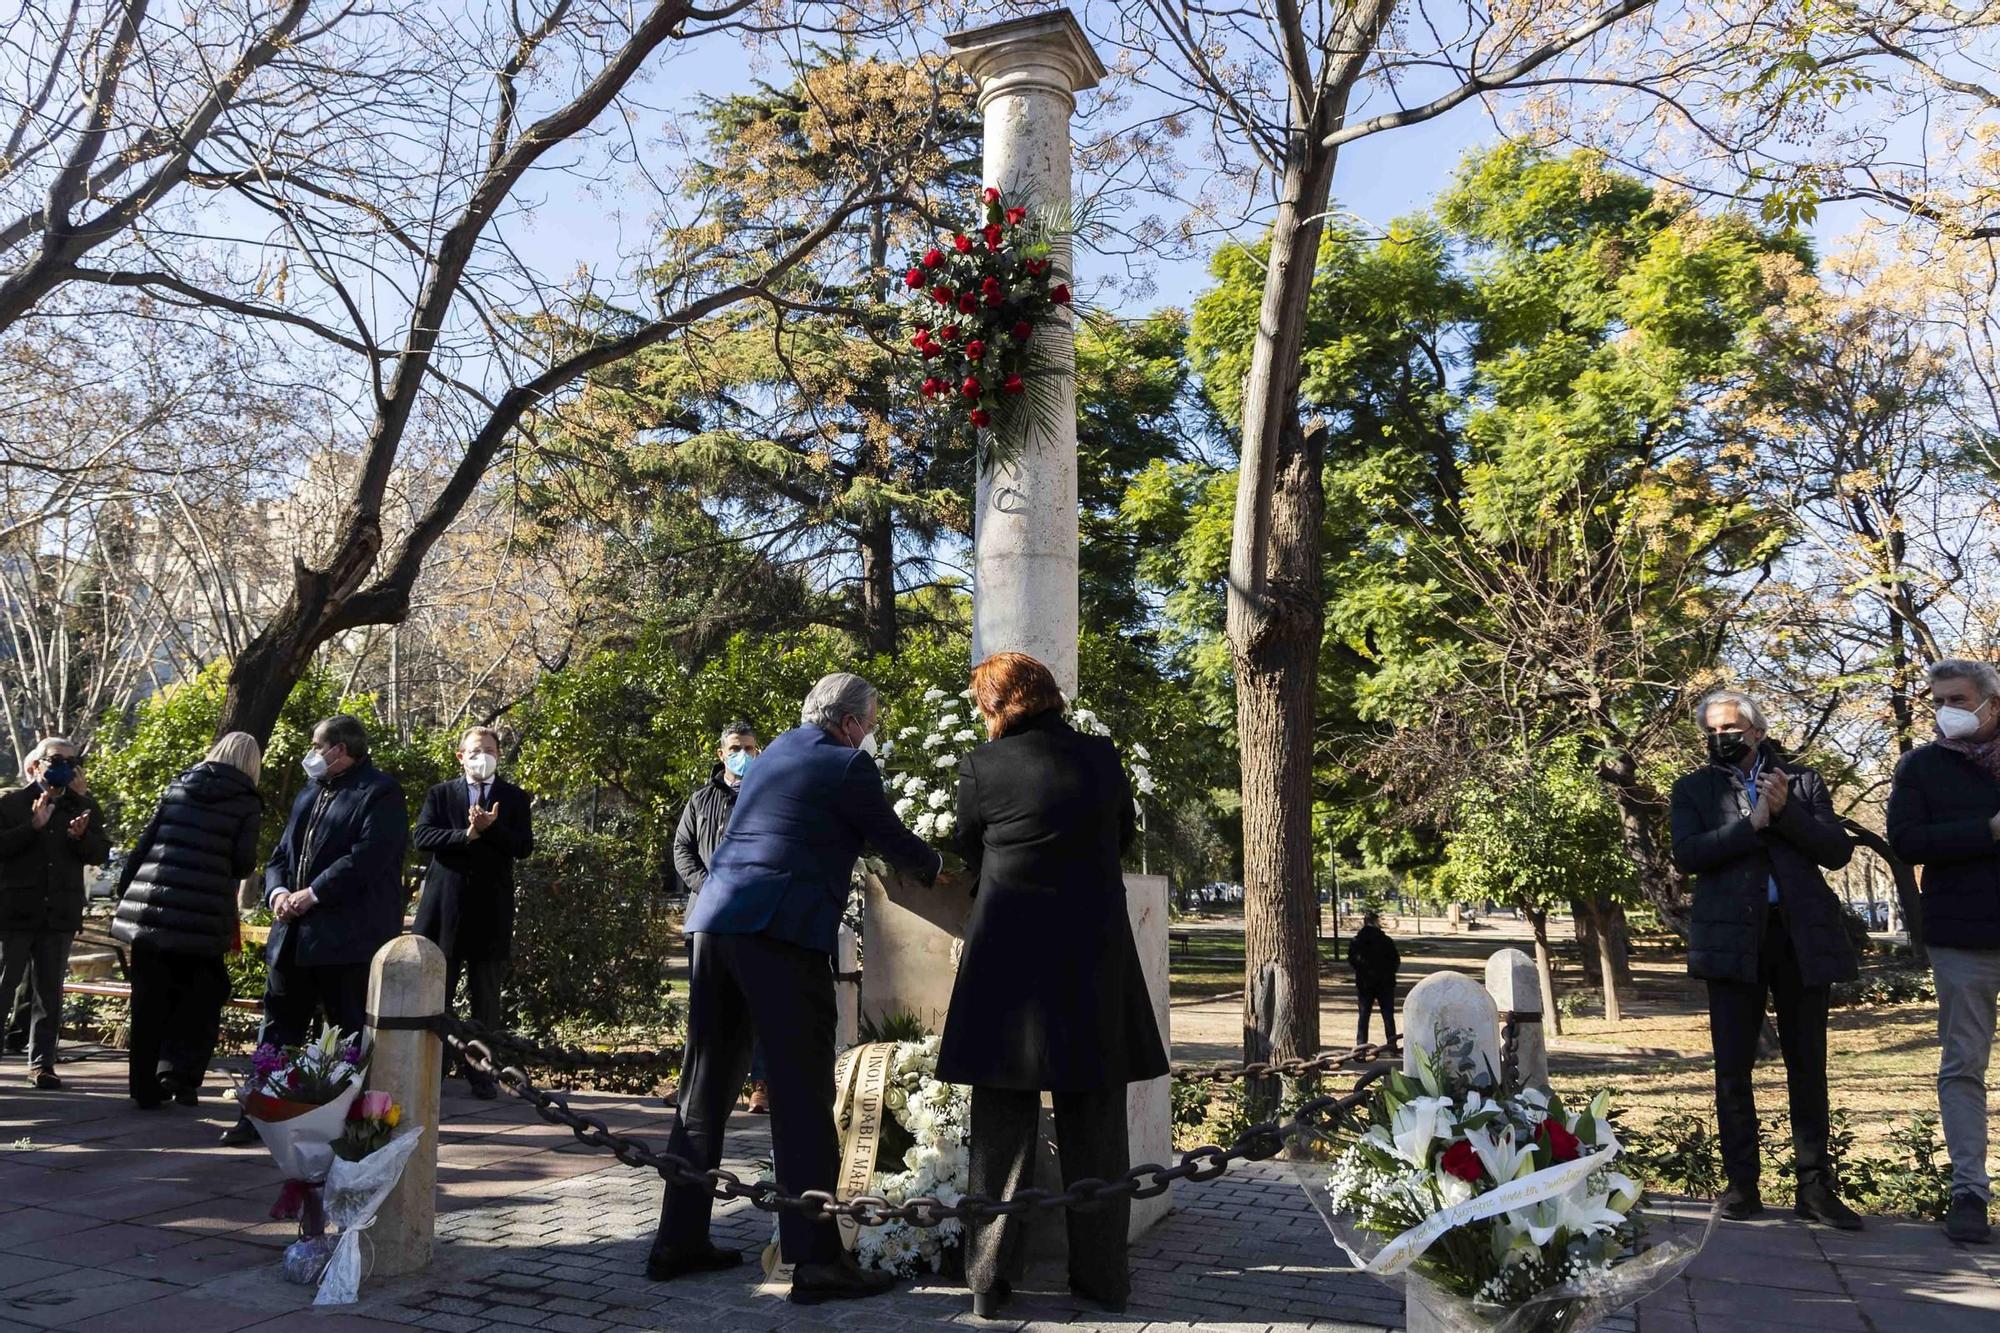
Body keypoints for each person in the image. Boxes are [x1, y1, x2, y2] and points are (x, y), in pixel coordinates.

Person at [650, 672, 942, 1305]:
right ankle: (816, 1263)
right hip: (779, 933)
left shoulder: (776, 751)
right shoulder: (846, 765)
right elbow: (888, 838)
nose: (870, 733)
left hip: (714, 927)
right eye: (871, 722)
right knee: (801, 1089)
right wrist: (938, 864)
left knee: (704, 1088)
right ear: (851, 722)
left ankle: (678, 1238)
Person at [938, 652, 1167, 1320]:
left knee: (1001, 1128)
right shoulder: (1100, 757)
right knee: (1096, 1127)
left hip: (1005, 962)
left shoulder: (982, 767)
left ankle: (988, 1279)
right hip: (1091, 958)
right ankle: (1102, 1279)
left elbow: (966, 842)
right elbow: (1121, 835)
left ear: (997, 704)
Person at [1669, 689, 1861, 1228]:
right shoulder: (1694, 788)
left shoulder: (1802, 782)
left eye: (1728, 728)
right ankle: (1741, 1186)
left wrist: (1783, 813)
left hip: (1799, 937)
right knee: (1733, 1067)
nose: (1718, 738)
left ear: (1756, 730)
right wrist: (1750, 824)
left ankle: (1815, 1189)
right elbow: (1687, 854)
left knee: (1807, 1065)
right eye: (1709, 731)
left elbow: (1835, 851)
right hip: (1732, 938)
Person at [221, 714, 406, 1146]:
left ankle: (347, 1124)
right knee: (277, 1030)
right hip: (292, 938)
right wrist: (279, 892)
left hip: (345, 940)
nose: (312, 752)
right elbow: (280, 855)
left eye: (317, 745)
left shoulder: (379, 792)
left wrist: (313, 894)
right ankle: (260, 1115)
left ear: (339, 750)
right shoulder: (310, 791)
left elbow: (369, 858)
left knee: (345, 1034)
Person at [1886, 657, 2000, 1244]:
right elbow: (1905, 841)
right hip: (1962, 936)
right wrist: (1987, 831)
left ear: (1991, 702)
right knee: (1963, 1065)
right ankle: (1969, 1191)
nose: (1946, 712)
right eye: (1939, 701)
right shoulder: (1921, 767)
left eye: (1958, 699)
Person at [110, 731, 265, 1108]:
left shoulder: (179, 785)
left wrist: (126, 890)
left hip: (151, 909)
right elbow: (244, 863)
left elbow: (145, 843)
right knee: (204, 993)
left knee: (148, 1000)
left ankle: (144, 1088)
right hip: (201, 916)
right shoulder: (245, 802)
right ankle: (179, 1074)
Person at [413, 726, 533, 1100]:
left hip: (489, 910)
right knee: (438, 995)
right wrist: (465, 835)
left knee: (485, 996)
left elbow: (523, 846)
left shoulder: (513, 797)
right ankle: (434, 1069)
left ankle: (482, 1073)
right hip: (443, 909)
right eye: (476, 749)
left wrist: (491, 829)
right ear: (460, 756)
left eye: (491, 749)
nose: (484, 755)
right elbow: (422, 837)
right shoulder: (440, 793)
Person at [0, 737, 111, 1089]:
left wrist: (81, 837)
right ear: (36, 765)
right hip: (15, 913)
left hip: (59, 914)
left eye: (71, 761)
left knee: (50, 993)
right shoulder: (13, 803)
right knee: (4, 987)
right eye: (55, 760)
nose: (63, 766)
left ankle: (42, 1064)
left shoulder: (84, 806)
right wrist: (31, 828)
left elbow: (99, 854)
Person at [670, 723, 769, 1112]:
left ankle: (759, 1085)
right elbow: (683, 849)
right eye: (734, 747)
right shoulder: (700, 800)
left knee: (756, 1003)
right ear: (720, 753)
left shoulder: (767, 796)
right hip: (706, 918)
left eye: (748, 746)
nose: (741, 752)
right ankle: (694, 1085)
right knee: (704, 1007)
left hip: (753, 919)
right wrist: (710, 887)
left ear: (758, 752)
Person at [1347, 911, 1401, 1048]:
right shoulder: (1386, 940)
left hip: (1365, 983)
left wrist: (1362, 971)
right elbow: (1395, 960)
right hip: (1385, 982)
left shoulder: (1357, 941)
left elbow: (1352, 960)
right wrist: (1389, 972)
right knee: (1388, 1015)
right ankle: (1392, 1043)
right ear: (1376, 922)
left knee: (1364, 1015)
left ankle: (1361, 1045)